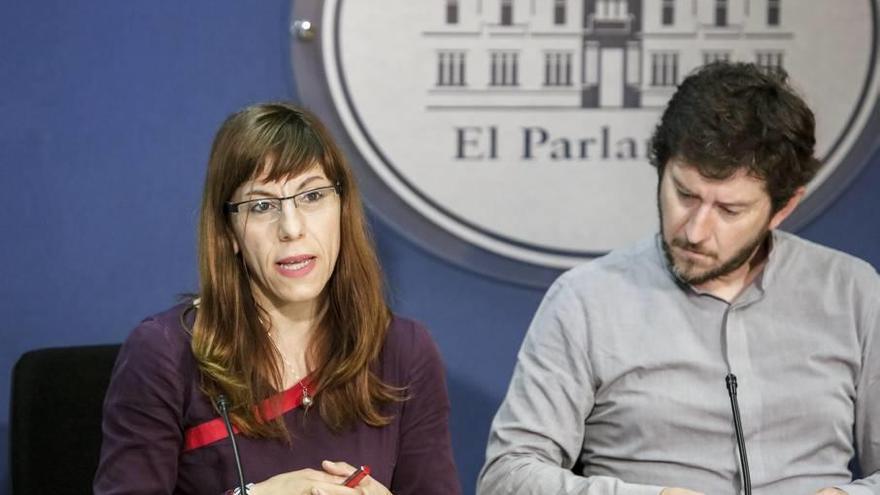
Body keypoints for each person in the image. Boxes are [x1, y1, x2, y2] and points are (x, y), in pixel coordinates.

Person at [477, 62, 879, 495]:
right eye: (685, 195)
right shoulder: (586, 300)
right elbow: (507, 477)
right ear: (661, 168)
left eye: (729, 210)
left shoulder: (852, 292)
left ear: (783, 208)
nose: (694, 230)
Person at [94, 102, 461, 495]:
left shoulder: (403, 352)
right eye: (262, 205)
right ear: (229, 233)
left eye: (312, 196)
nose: (291, 228)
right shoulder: (165, 354)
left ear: (342, 207)